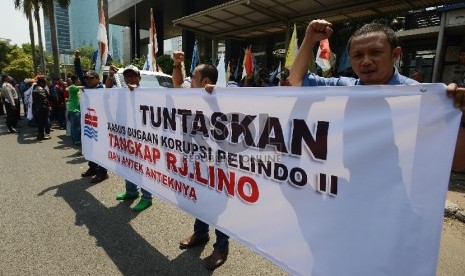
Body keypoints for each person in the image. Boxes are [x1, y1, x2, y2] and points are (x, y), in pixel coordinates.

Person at [172, 51, 230, 271]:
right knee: (200, 200)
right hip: (197, 161)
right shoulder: (191, 95)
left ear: (206, 81)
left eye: (193, 78)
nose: (189, 82)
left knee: (218, 206)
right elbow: (177, 86)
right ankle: (200, 233)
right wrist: (178, 65)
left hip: (218, 164)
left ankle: (222, 246)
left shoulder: (224, 96)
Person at [105, 64, 153, 212]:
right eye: (127, 76)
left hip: (142, 138)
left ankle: (147, 197)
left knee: (143, 168)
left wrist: (136, 93)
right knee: (127, 164)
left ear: (139, 77)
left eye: (133, 75)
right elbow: (106, 91)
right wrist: (111, 75)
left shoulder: (148, 93)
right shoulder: (121, 91)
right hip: (125, 136)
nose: (129, 78)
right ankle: (131, 192)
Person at [74, 49, 109, 184]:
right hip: (89, 123)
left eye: (91, 78)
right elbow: (79, 73)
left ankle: (102, 173)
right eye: (87, 78)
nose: (88, 80)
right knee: (90, 146)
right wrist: (77, 59)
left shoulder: (101, 90)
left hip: (100, 124)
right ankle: (92, 168)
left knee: (100, 149)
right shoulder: (88, 89)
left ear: (97, 79)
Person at [32, 76, 52, 140]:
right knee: (42, 122)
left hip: (38, 108)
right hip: (42, 108)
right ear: (41, 83)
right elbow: (44, 99)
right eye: (45, 83)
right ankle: (41, 135)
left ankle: (40, 135)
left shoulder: (37, 88)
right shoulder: (40, 89)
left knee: (41, 122)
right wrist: (48, 106)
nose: (46, 84)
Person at [67, 76, 83, 145]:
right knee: (76, 126)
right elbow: (81, 87)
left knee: (74, 126)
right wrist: (87, 86)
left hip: (73, 110)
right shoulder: (72, 87)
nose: (79, 81)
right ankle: (77, 141)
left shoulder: (74, 88)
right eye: (79, 79)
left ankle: (74, 140)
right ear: (76, 80)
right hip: (74, 110)